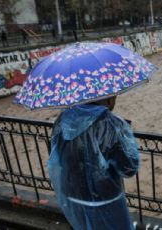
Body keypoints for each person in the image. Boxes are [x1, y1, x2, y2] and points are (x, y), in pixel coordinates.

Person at [48, 96, 139, 230]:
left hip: (72, 195)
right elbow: (128, 168)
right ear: (108, 100)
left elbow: (56, 156)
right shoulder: (111, 124)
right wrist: (124, 138)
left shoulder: (62, 120)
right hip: (105, 200)